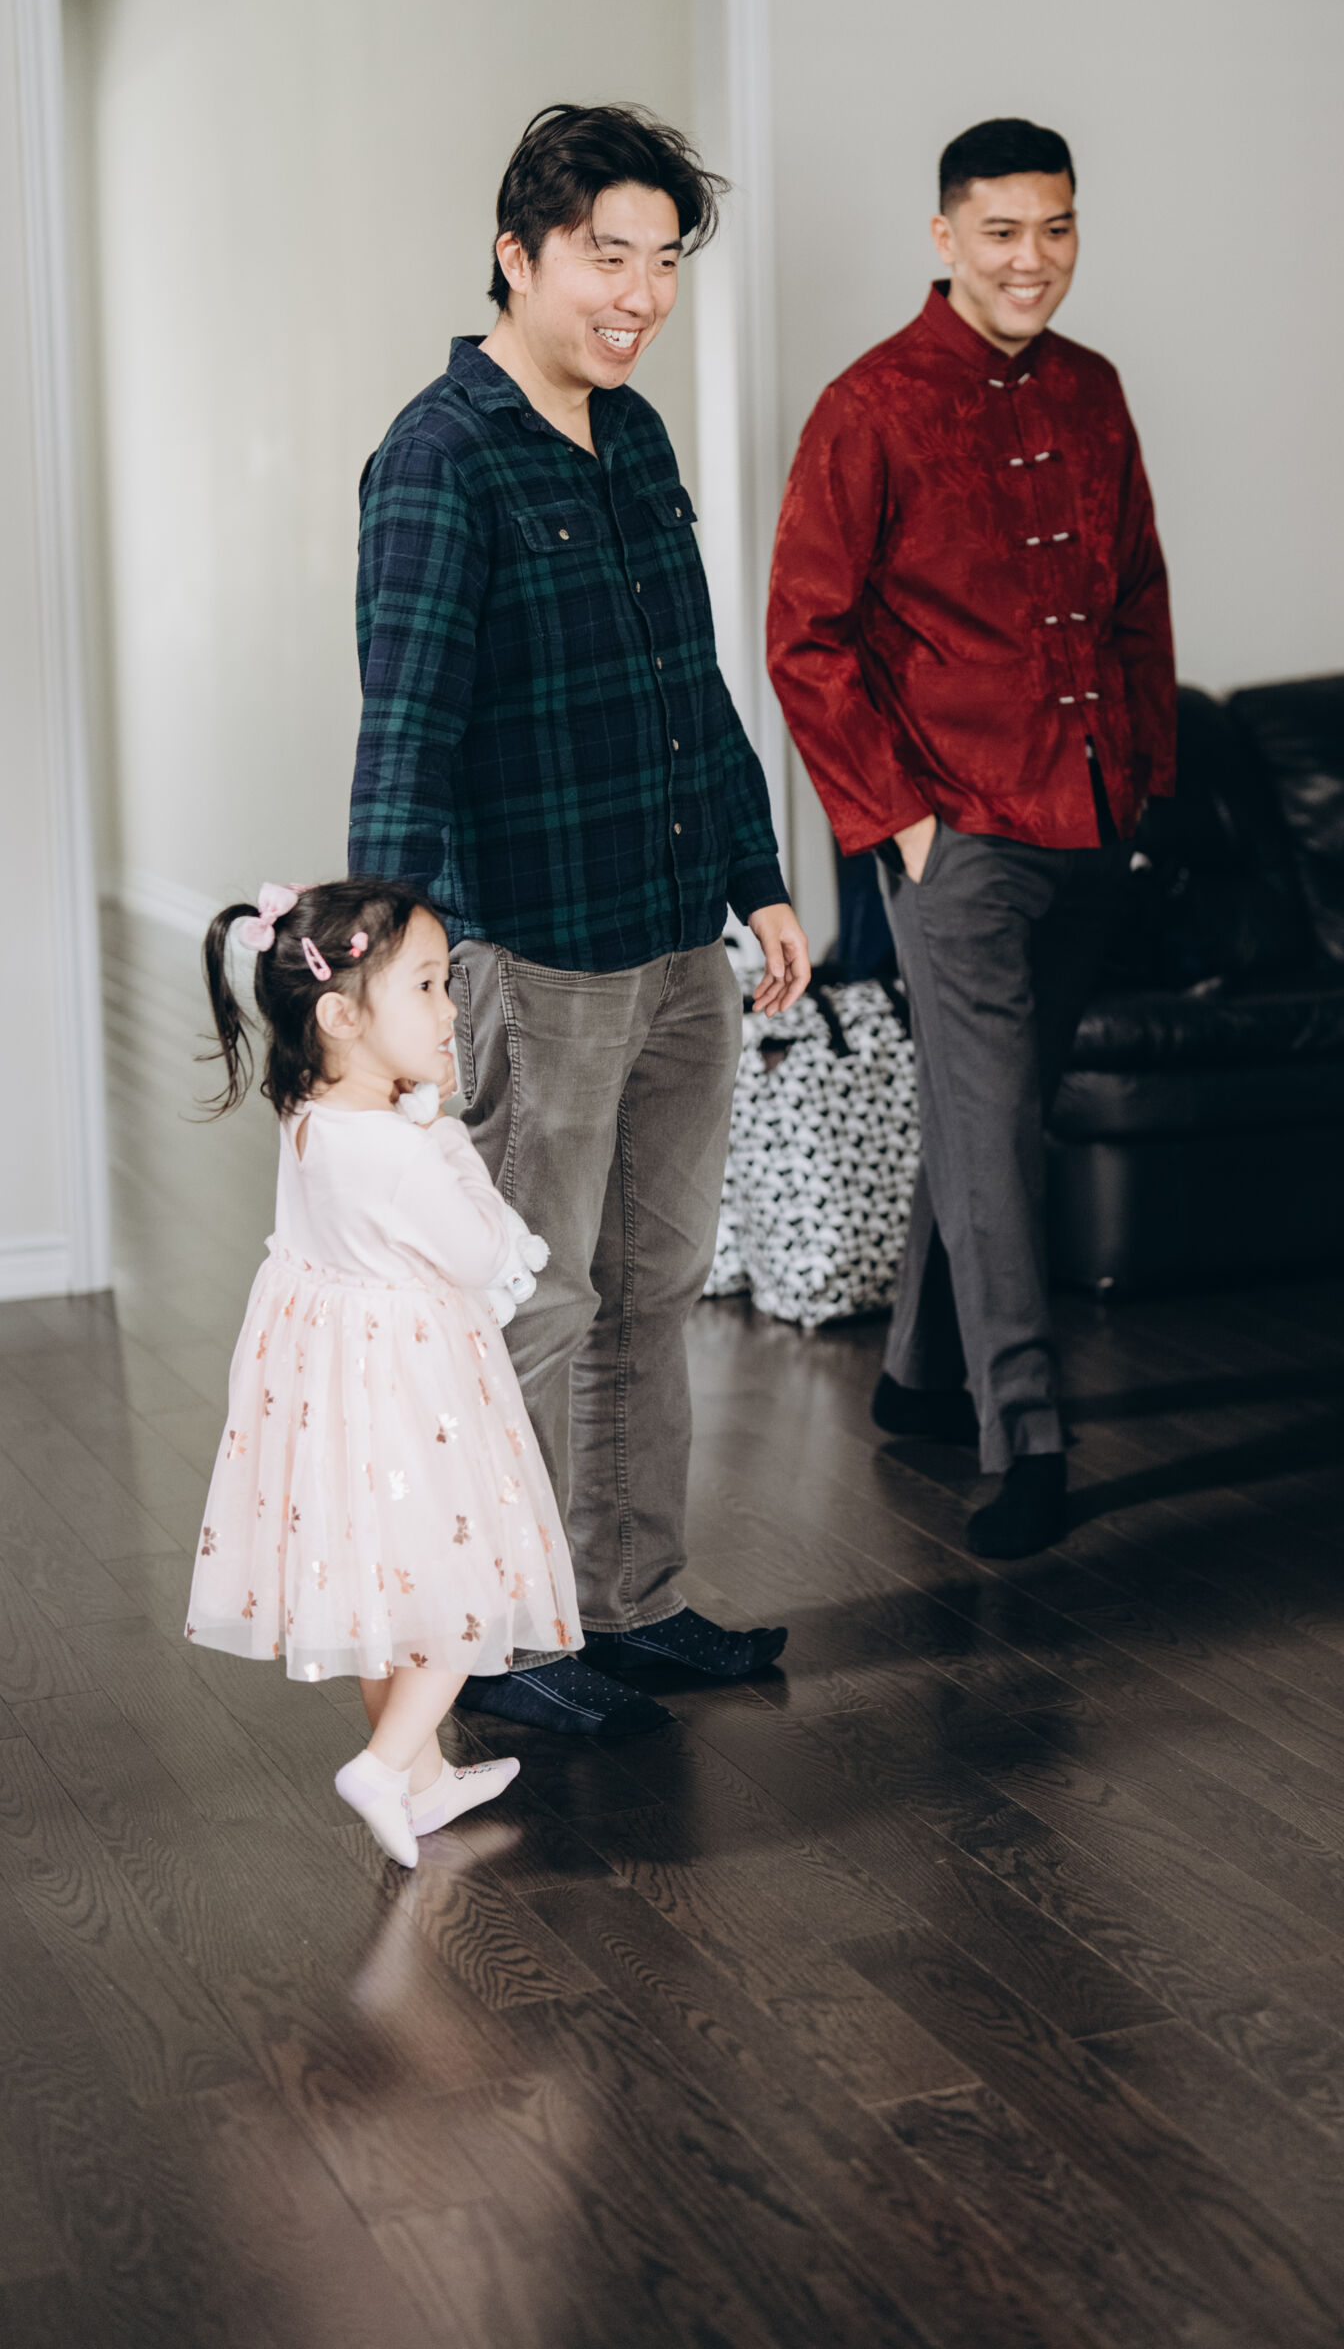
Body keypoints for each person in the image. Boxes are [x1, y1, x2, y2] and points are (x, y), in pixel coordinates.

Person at [350, 105, 810, 1739]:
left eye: (664, 261)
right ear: (519, 255)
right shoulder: (439, 455)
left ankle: (628, 1600)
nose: (640, 295)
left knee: (651, 1284)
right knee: (529, 1303)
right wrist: (385, 976)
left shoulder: (637, 435)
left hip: (674, 936)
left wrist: (758, 879)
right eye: (607, 257)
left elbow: (695, 686)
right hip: (531, 954)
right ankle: (499, 1632)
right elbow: (406, 724)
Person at [767, 117, 1176, 1558]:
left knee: (985, 1117)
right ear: (945, 239)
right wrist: (905, 827)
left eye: (1056, 229)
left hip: (1092, 821)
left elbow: (1138, 599)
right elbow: (805, 638)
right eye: (1002, 232)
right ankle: (1030, 1438)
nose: (1032, 259)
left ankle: (915, 1373)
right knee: (997, 1136)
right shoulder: (870, 405)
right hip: (961, 841)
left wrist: (1142, 784)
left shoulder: (1096, 389)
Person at [187, 877, 578, 1867]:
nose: (451, 1011)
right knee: (470, 1582)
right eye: (429, 987)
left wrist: (410, 1113)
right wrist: (442, 1132)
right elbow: (482, 1255)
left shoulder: (307, 1112)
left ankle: (423, 1780)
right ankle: (385, 1761)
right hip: (416, 1392)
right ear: (341, 1018)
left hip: (337, 1392)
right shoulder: (404, 1151)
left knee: (386, 1591)